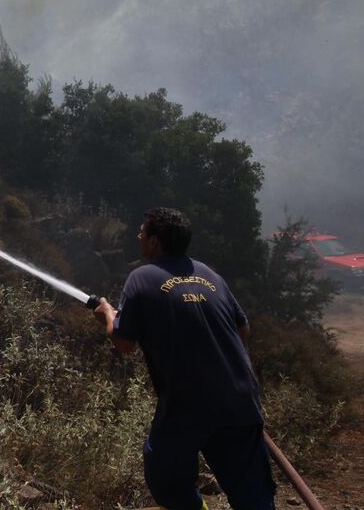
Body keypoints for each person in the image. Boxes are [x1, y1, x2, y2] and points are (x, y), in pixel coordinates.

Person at [94, 207, 276, 510]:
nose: (138, 237)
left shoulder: (141, 278)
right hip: (241, 399)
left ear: (154, 242)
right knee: (253, 495)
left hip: (187, 404)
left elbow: (124, 342)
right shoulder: (209, 274)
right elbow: (242, 329)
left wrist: (107, 316)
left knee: (164, 474)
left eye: (142, 232)